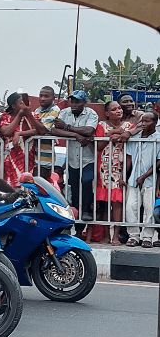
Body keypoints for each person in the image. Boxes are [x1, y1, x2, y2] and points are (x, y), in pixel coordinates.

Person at [52, 90, 98, 235]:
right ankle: (78, 226)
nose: (74, 104)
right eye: (72, 101)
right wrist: (75, 135)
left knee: (87, 181)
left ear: (84, 102)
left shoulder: (91, 113)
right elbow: (54, 129)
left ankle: (87, 210)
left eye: (77, 101)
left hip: (88, 158)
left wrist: (67, 127)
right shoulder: (65, 112)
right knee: (74, 189)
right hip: (72, 159)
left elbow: (89, 130)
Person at [91, 101, 134, 245]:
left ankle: (115, 235)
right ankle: (105, 236)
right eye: (114, 109)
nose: (118, 111)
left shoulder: (129, 127)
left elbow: (131, 147)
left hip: (119, 171)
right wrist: (111, 134)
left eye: (119, 108)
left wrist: (120, 133)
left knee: (117, 204)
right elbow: (99, 146)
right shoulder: (101, 126)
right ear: (107, 113)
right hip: (104, 170)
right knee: (103, 204)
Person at [124, 111, 159, 248]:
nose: (143, 124)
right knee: (130, 207)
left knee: (149, 209)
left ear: (155, 123)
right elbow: (129, 158)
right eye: (142, 121)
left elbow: (158, 161)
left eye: (147, 121)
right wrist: (125, 176)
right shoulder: (136, 137)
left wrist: (144, 176)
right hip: (133, 178)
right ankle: (133, 236)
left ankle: (147, 237)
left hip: (150, 179)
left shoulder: (158, 138)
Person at [0, 92, 47, 187]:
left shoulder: (32, 115)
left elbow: (41, 131)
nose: (23, 105)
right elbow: (6, 131)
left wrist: (20, 132)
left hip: (29, 158)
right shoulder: (6, 116)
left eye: (24, 102)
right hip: (11, 157)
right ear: (13, 106)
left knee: (28, 186)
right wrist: (20, 115)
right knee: (13, 186)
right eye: (20, 103)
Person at [32, 86, 61, 181]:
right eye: (41, 96)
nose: (42, 98)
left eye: (46, 96)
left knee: (39, 187)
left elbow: (43, 129)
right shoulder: (37, 110)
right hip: (35, 157)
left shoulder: (55, 110)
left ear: (53, 98)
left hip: (45, 160)